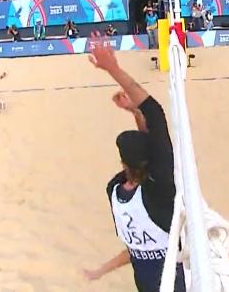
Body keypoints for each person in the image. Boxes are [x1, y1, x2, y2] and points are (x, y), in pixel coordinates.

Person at [82, 31, 186, 292]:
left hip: (147, 282)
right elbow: (156, 116)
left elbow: (135, 251)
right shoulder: (161, 190)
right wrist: (113, 68)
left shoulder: (115, 190)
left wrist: (100, 271)